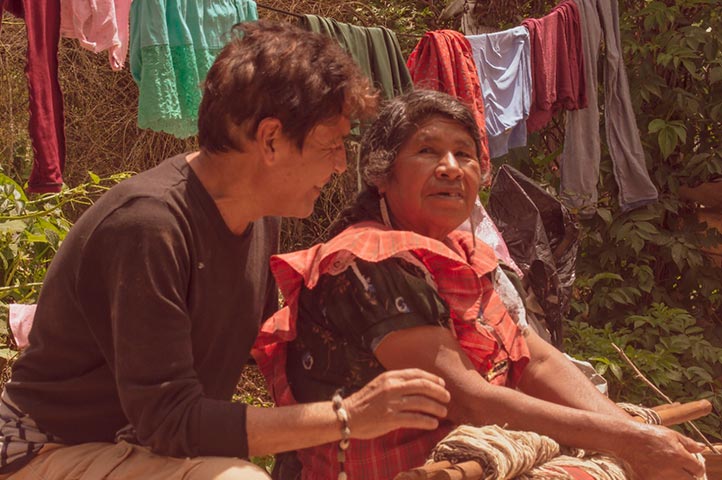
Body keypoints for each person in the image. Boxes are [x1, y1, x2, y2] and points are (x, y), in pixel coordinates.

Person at [0, 22, 452, 480]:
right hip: (43, 450)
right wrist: (346, 416)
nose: (340, 164)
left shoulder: (259, 215)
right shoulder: (149, 226)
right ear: (271, 139)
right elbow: (171, 421)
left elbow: (262, 345)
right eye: (331, 144)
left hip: (138, 445)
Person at [253, 89, 708, 480]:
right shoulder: (367, 262)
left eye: (464, 154)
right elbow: (465, 399)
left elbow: (534, 360)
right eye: (427, 151)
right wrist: (630, 442)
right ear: (381, 174)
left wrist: (638, 437)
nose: (451, 168)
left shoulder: (461, 251)